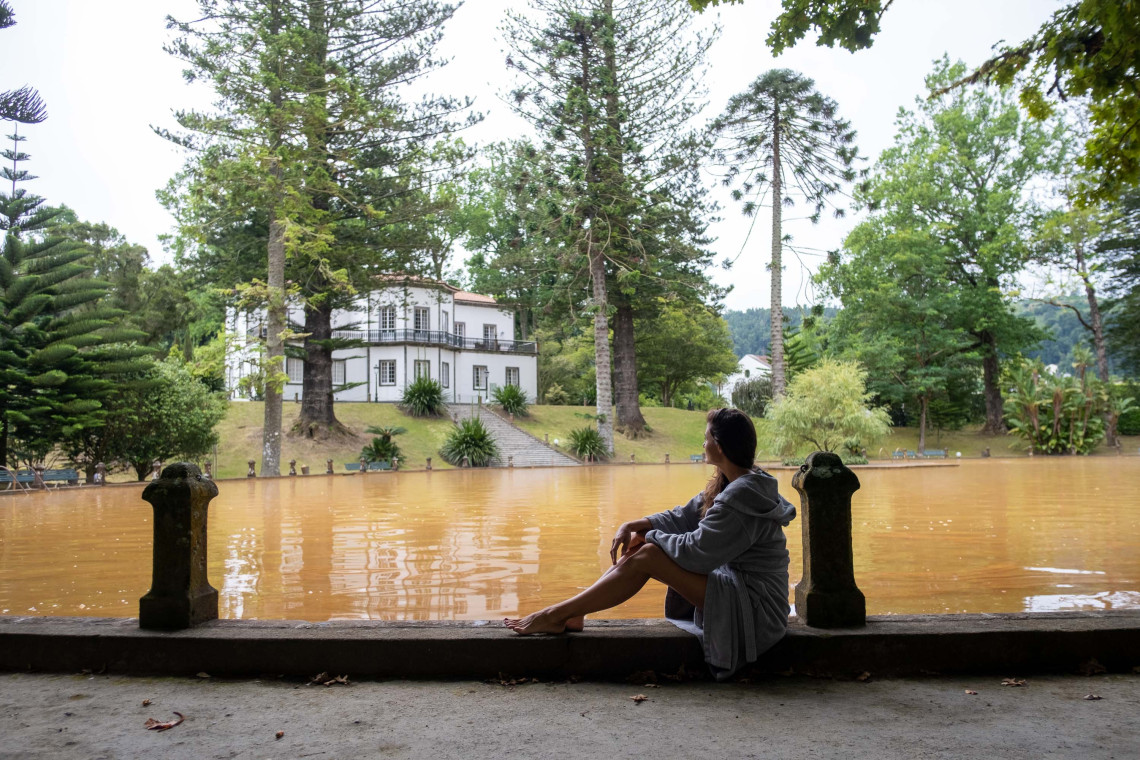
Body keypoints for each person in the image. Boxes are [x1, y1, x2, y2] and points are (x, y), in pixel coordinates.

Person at [504, 407, 796, 680]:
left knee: (649, 554)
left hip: (757, 611)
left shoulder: (744, 494)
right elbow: (684, 516)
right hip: (740, 591)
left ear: (719, 446)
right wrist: (636, 525)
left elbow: (697, 552)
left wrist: (651, 537)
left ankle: (555, 615)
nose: (702, 443)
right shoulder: (733, 481)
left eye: (706, 437)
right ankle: (573, 612)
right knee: (648, 546)